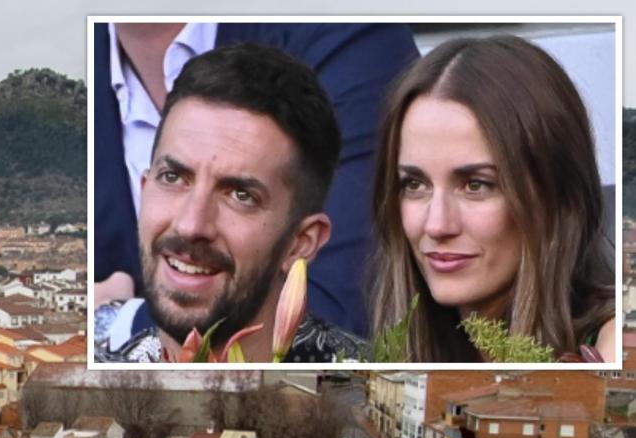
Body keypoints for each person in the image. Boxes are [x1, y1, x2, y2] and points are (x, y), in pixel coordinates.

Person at [93, 22, 418, 337]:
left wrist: (115, 323)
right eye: (173, 176)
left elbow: (345, 309)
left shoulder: (351, 34)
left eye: (240, 194)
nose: (191, 226)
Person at [368, 35, 617, 363]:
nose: (437, 224)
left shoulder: (613, 349)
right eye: (414, 184)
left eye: (476, 185)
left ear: (556, 197)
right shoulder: (400, 353)